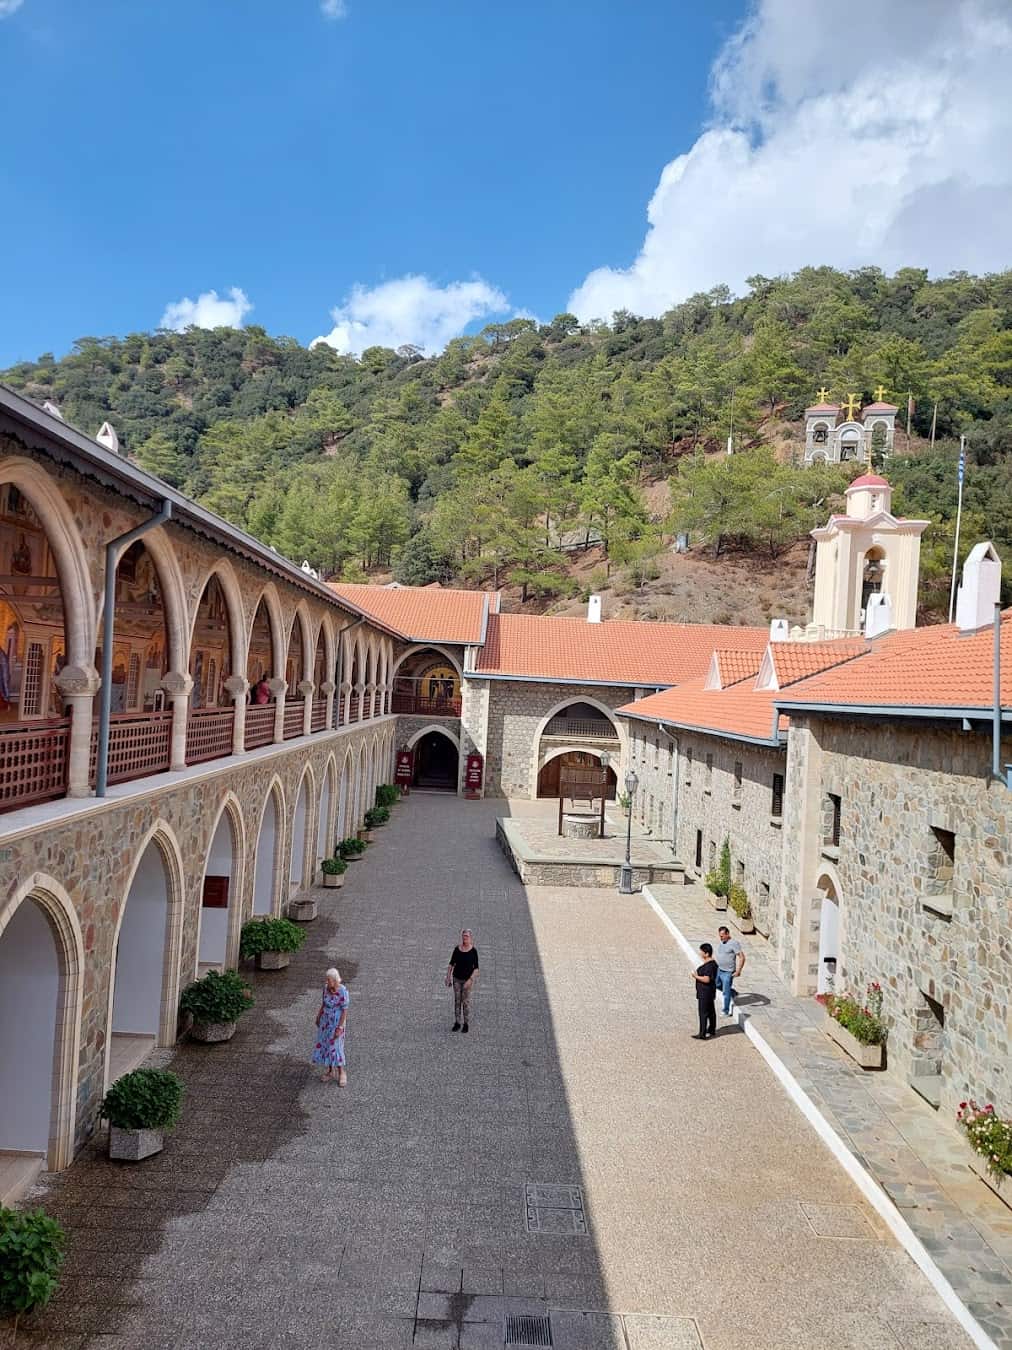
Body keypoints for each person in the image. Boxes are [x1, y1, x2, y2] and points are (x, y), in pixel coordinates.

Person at [311, 967, 349, 1084]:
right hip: (325, 1022)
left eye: (329, 980)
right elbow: (323, 1003)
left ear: (335, 980)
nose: (327, 982)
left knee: (336, 1047)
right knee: (326, 1046)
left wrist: (340, 1028)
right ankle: (330, 1071)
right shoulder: (325, 988)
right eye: (326, 980)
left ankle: (342, 1072)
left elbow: (344, 1011)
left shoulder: (343, 991)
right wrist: (318, 1016)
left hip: (336, 1023)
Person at [445, 928, 479, 1033]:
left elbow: (476, 969)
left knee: (466, 1002)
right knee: (457, 1001)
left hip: (467, 981)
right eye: (463, 936)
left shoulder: (473, 951)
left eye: (467, 936)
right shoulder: (457, 949)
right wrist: (448, 977)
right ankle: (457, 1022)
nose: (465, 938)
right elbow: (451, 964)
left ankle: (466, 1023)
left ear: (470, 938)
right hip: (457, 979)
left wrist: (470, 980)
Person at [715, 925, 746, 1017]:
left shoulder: (734, 943)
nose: (720, 938)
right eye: (720, 936)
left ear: (727, 934)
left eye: (722, 936)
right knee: (716, 985)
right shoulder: (722, 942)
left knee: (725, 992)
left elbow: (742, 957)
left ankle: (726, 1010)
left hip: (728, 972)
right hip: (719, 970)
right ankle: (732, 992)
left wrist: (738, 970)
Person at [693, 943, 718, 1040]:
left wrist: (695, 976)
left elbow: (706, 979)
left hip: (705, 992)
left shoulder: (709, 966)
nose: (700, 953)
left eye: (702, 952)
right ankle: (711, 1029)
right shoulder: (713, 964)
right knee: (711, 1011)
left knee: (703, 1013)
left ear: (706, 953)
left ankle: (702, 1033)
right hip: (709, 992)